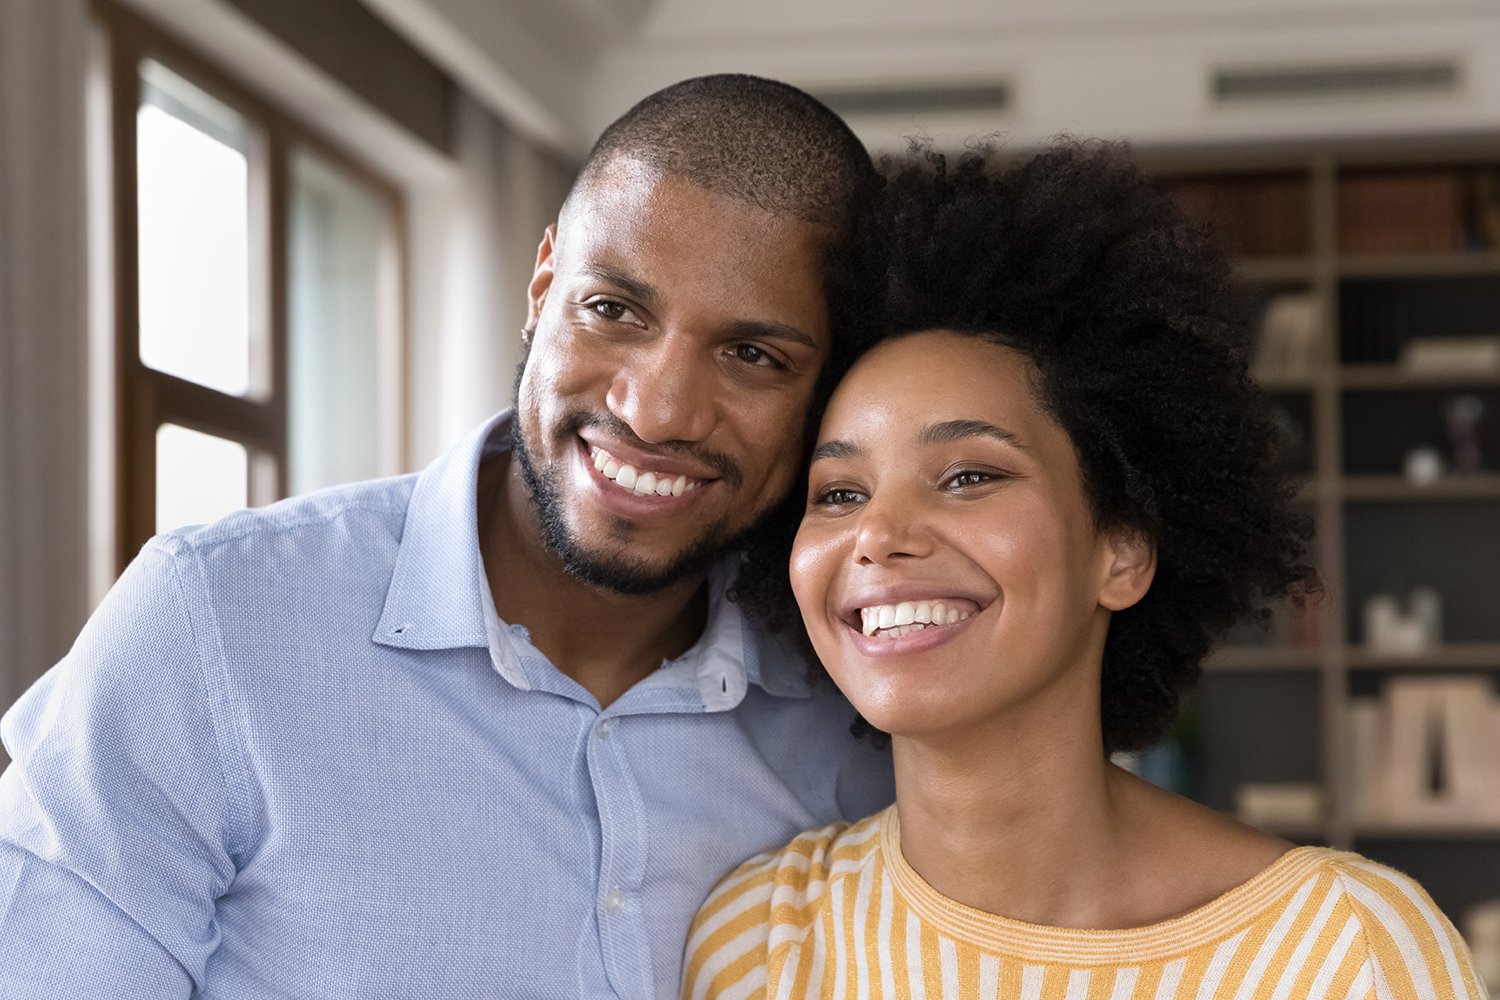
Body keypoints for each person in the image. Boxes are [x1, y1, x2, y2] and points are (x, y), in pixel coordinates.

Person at [0, 75, 894, 998]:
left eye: (752, 356)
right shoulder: (215, 625)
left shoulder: (863, 702)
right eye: (614, 310)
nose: (658, 410)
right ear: (543, 286)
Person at [682, 144, 1485, 1000]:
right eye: (838, 491)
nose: (877, 535)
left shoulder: (1344, 953)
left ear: (1122, 551)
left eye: (968, 476)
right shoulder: (762, 937)